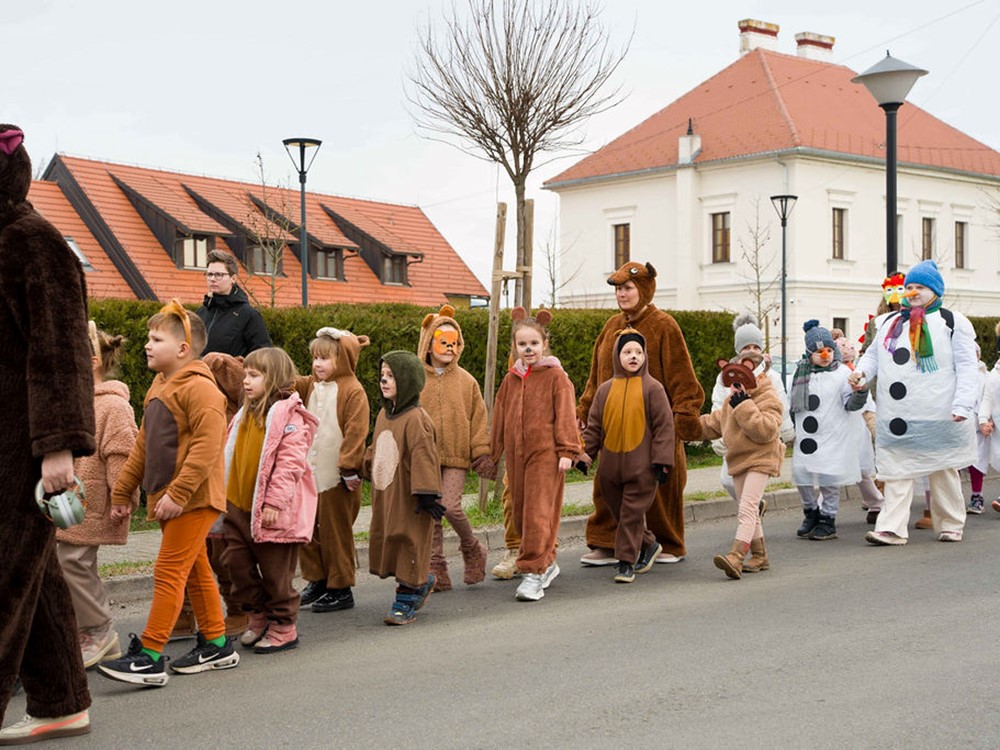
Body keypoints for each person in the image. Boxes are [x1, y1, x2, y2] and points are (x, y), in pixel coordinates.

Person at [0, 124, 96, 744]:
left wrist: (57, 446)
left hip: (19, 445)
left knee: (4, 578)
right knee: (31, 574)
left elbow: (61, 351)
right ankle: (61, 700)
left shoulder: (32, 241)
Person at [99, 301, 239, 687]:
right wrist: (123, 491)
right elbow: (144, 444)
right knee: (195, 571)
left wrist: (178, 493)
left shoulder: (201, 389)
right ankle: (217, 643)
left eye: (156, 338)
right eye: (148, 336)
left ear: (182, 349)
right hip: (172, 497)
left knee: (167, 572)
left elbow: (208, 448)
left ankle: (149, 656)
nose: (147, 344)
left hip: (193, 498)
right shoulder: (161, 386)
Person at [577, 262, 704, 567]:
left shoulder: (664, 325)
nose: (622, 294)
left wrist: (683, 417)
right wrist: (584, 408)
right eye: (619, 289)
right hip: (614, 425)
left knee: (660, 491)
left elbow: (682, 377)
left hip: (655, 429)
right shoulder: (611, 328)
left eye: (628, 288)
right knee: (608, 487)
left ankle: (667, 542)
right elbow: (596, 377)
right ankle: (608, 543)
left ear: (645, 289)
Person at [853, 260, 978, 546]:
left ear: (934, 290)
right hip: (898, 414)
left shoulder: (952, 321)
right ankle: (892, 527)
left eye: (919, 287)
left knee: (943, 469)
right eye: (909, 287)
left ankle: (950, 523)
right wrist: (861, 373)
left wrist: (962, 405)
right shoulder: (887, 323)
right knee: (896, 470)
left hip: (939, 412)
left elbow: (967, 366)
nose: (912, 292)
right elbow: (873, 356)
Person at [221, 348, 319, 653]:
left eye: (254, 375)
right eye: (245, 374)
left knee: (277, 574)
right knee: (235, 564)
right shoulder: (244, 413)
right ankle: (259, 614)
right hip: (239, 506)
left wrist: (274, 503)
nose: (246, 381)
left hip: (272, 511)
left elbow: (290, 463)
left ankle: (283, 625)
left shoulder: (289, 416)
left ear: (274, 378)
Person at [56, 323, 138, 670]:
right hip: (67, 501)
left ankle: (101, 631)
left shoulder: (113, 407)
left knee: (71, 561)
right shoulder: (75, 401)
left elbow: (123, 454)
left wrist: (123, 496)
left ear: (90, 361)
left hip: (94, 501)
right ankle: (87, 632)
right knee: (68, 563)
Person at [490, 308, 580, 601]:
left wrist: (568, 449)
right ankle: (547, 562)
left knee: (538, 514)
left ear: (544, 344)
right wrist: (491, 455)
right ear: (515, 347)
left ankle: (534, 573)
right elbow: (500, 418)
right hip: (517, 458)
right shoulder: (511, 379)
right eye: (522, 344)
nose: (528, 349)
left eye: (534, 343)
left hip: (547, 456)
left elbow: (566, 414)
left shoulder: (556, 377)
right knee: (520, 512)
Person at [579, 329, 674, 583]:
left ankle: (625, 563)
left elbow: (665, 427)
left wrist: (662, 462)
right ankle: (650, 544)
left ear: (645, 356)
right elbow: (594, 426)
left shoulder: (653, 388)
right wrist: (584, 455)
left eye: (638, 352)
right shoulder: (605, 390)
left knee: (631, 514)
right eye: (627, 352)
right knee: (622, 515)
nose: (633, 356)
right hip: (609, 470)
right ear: (616, 355)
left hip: (642, 468)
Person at [365, 351, 445, 625]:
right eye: (382, 375)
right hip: (388, 493)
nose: (384, 381)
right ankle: (419, 583)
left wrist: (426, 493)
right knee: (392, 536)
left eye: (392, 376)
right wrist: (357, 466)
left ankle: (407, 597)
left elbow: (424, 455)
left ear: (408, 380)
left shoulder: (416, 419)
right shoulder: (384, 416)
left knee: (408, 538)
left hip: (411, 496)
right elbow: (376, 449)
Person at [417, 306, 493, 591]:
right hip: (425, 457)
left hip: (457, 456)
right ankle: (436, 570)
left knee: (449, 507)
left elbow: (478, 419)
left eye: (454, 343)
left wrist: (481, 451)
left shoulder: (466, 381)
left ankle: (472, 548)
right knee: (431, 514)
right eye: (443, 342)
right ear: (428, 343)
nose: (449, 348)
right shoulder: (416, 379)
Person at [296, 327, 371, 613]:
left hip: (336, 478)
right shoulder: (309, 385)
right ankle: (317, 580)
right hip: (309, 477)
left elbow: (356, 432)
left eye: (325, 358)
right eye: (315, 358)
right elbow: (285, 382)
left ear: (343, 359)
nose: (317, 364)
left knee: (335, 533)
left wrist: (349, 467)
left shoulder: (353, 391)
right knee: (310, 532)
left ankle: (340, 587)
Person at [699, 354, 784, 579]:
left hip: (761, 458)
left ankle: (736, 556)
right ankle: (760, 555)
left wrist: (744, 405)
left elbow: (766, 430)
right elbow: (712, 423)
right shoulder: (731, 400)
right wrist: (682, 425)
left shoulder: (767, 395)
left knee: (747, 508)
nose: (736, 385)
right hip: (738, 459)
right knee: (749, 510)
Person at [789, 321, 868, 541]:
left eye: (829, 350)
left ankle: (828, 518)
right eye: (819, 351)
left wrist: (859, 392)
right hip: (807, 437)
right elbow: (791, 404)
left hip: (833, 434)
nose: (825, 355)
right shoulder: (800, 374)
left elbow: (851, 404)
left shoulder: (842, 373)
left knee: (828, 478)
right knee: (801, 475)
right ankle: (811, 512)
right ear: (809, 353)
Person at [710, 314, 794, 501]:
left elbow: (780, 404)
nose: (751, 351)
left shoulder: (771, 375)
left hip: (759, 437)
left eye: (755, 347)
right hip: (735, 437)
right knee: (728, 480)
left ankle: (750, 515)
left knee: (750, 487)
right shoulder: (725, 376)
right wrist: (718, 437)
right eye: (746, 347)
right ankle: (754, 511)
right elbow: (718, 404)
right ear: (738, 350)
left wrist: (785, 431)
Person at [833, 333, 884, 524]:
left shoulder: (856, 375)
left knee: (860, 470)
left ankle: (876, 502)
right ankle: (822, 510)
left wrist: (873, 426)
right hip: (838, 427)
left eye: (850, 360)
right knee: (837, 467)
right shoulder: (832, 374)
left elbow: (867, 404)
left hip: (857, 426)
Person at [195, 249, 271, 358]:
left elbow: (262, 356)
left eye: (218, 275)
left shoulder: (249, 315)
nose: (212, 279)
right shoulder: (200, 313)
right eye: (209, 274)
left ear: (233, 278)